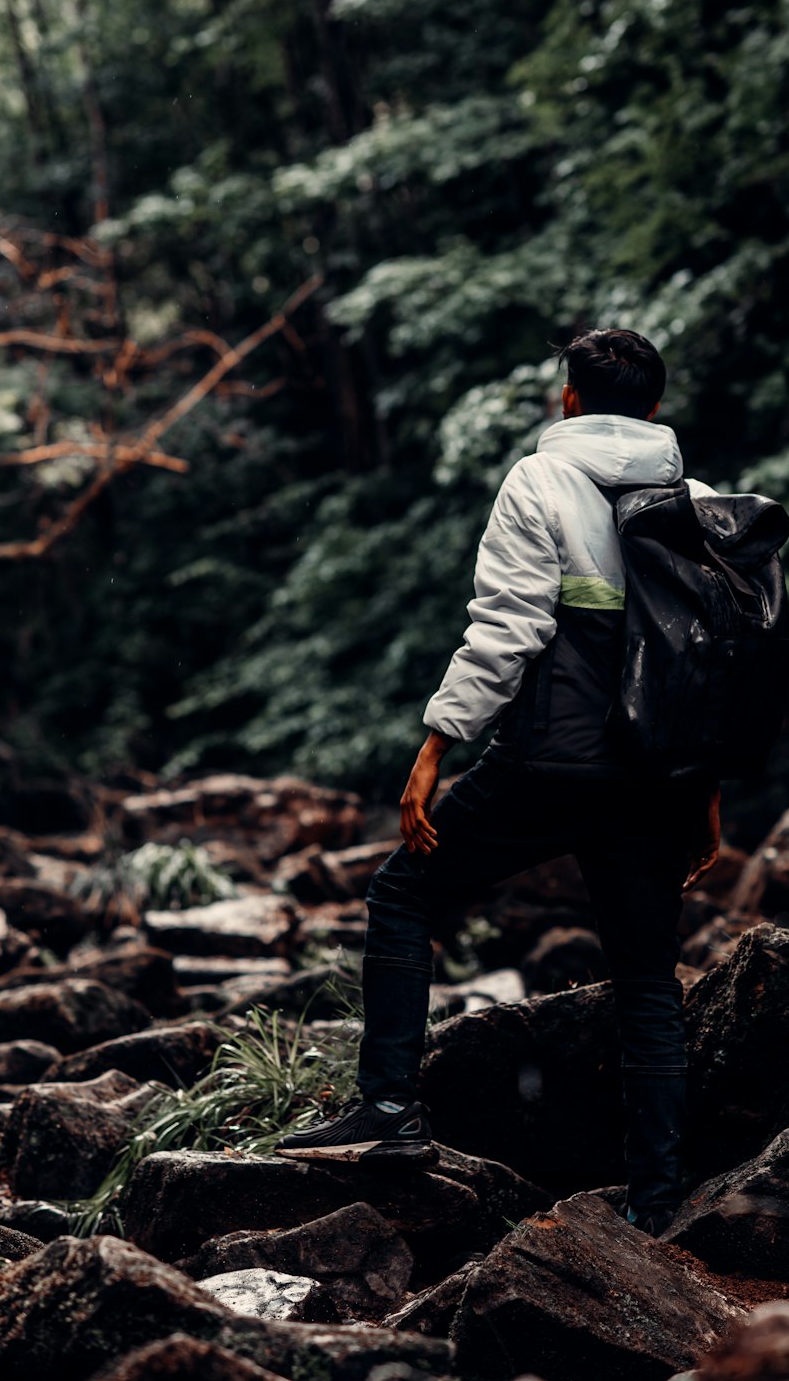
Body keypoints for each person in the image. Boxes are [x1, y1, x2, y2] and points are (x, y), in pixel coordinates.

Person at [277, 327, 722, 1236]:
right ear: (656, 411)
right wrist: (705, 793)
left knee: (404, 895)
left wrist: (437, 745)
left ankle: (393, 1112)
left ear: (567, 400)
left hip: (550, 764)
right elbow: (715, 665)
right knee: (645, 978)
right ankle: (658, 1206)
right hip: (653, 779)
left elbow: (509, 629)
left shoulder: (540, 480)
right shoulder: (703, 503)